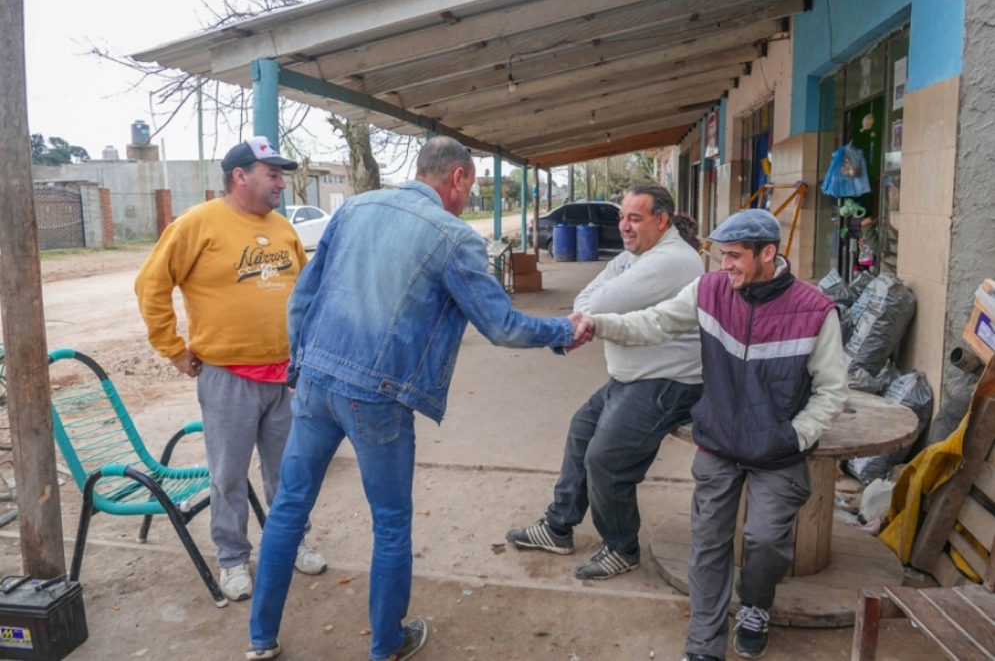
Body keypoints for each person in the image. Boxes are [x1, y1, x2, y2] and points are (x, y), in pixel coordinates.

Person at [246, 136, 588, 661]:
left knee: (288, 508)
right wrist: (563, 330)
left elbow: (304, 295)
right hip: (376, 397)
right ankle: (386, 645)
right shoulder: (452, 236)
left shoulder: (354, 208)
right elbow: (501, 326)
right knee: (390, 522)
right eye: (469, 186)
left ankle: (260, 640)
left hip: (316, 381)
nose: (466, 197)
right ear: (457, 179)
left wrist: (299, 366)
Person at [578, 209, 847, 661]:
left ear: (768, 253)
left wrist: (795, 436)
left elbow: (832, 390)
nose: (725, 267)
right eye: (722, 256)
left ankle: (756, 605)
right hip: (720, 444)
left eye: (735, 257)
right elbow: (655, 322)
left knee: (765, 541)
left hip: (777, 452)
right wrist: (597, 324)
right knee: (708, 542)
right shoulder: (710, 291)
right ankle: (704, 647)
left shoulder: (815, 310)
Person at [134, 136, 327, 604]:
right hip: (228, 377)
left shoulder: (282, 228)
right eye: (273, 174)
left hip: (285, 376)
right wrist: (174, 349)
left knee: (288, 472)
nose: (282, 182)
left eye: (282, 174)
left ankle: (290, 544)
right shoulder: (197, 224)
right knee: (229, 475)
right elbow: (151, 285)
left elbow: (305, 293)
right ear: (240, 176)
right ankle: (233, 560)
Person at [506, 183, 705, 580]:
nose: (624, 226)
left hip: (667, 381)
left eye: (635, 218)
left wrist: (587, 312)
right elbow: (589, 296)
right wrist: (586, 312)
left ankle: (621, 547)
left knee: (606, 460)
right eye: (622, 217)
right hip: (633, 375)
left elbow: (599, 304)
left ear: (662, 221)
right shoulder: (635, 255)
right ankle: (559, 526)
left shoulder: (672, 261)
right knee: (582, 432)